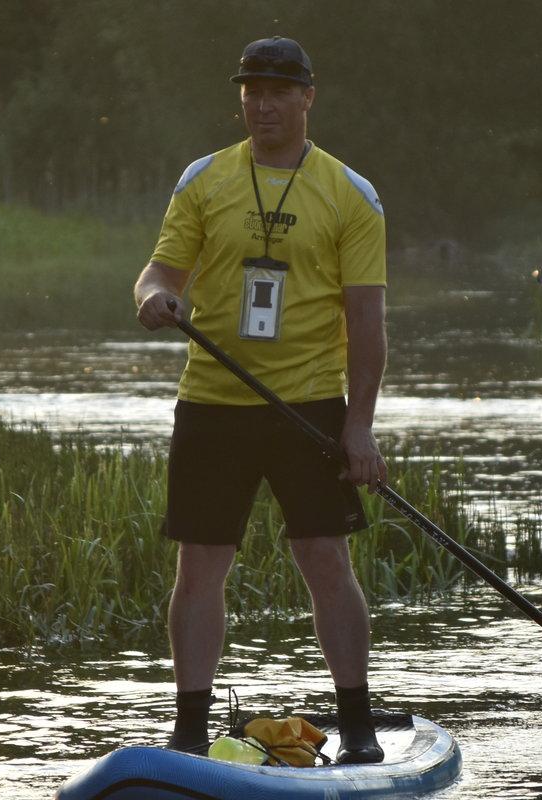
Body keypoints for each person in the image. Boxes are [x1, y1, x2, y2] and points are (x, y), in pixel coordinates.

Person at [130, 35, 388, 765]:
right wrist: (155, 297)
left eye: (278, 91)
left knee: (324, 559)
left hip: (307, 404)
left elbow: (366, 323)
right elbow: (158, 271)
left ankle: (358, 723)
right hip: (213, 402)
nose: (263, 103)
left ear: (308, 96)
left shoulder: (350, 194)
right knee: (199, 567)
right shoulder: (204, 180)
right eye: (252, 90)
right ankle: (188, 726)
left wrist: (359, 427)